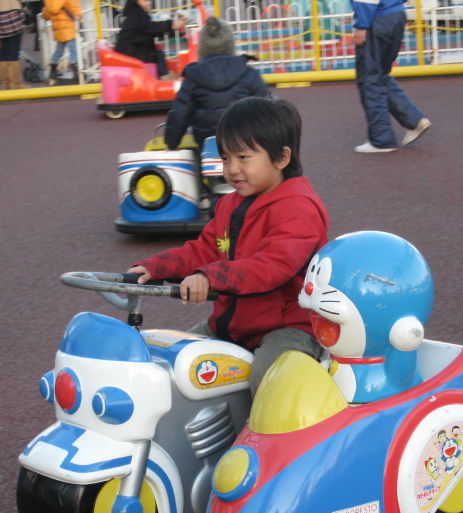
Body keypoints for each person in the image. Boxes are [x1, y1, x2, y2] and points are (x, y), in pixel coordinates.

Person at [128, 97, 330, 396]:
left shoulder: (298, 208)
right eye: (225, 158)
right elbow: (204, 250)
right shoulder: (229, 205)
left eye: (243, 157)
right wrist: (153, 267)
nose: (232, 169)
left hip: (289, 327)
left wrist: (209, 277)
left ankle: (267, 427)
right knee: (174, 359)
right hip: (236, 326)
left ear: (281, 158)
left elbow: (272, 267)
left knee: (270, 376)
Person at [163, 16, 269, 151]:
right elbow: (267, 108)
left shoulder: (193, 76)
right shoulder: (247, 71)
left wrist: (171, 143)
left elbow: (179, 114)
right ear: (230, 44)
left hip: (207, 140)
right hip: (244, 139)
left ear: (202, 48)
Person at [351, 0, 431, 153]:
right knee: (380, 75)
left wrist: (361, 24)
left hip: (377, 19)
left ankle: (382, 140)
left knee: (370, 79)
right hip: (396, 15)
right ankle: (414, 120)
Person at [115, 0, 187, 80]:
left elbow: (150, 31)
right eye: (145, 1)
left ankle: (165, 76)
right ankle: (165, 78)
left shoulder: (138, 14)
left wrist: (172, 30)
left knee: (158, 52)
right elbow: (151, 28)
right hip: (132, 54)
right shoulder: (136, 16)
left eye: (149, 0)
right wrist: (172, 25)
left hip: (135, 50)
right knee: (158, 53)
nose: (149, 3)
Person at [0, 0, 28, 89]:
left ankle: (5, 83)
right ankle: (15, 83)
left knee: (4, 49)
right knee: (14, 47)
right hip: (11, 11)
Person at [42, 0, 83, 83]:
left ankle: (53, 70)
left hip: (58, 29)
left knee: (58, 51)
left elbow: (46, 15)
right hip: (68, 26)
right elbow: (73, 5)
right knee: (73, 50)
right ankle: (76, 71)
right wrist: (78, 15)